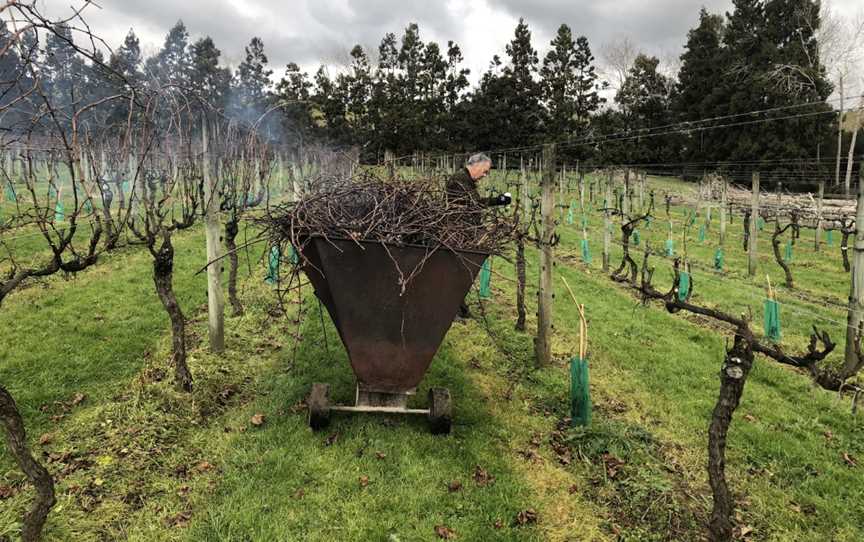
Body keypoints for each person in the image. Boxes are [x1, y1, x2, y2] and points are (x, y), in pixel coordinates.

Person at [447, 153, 511, 318]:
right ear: (476, 165)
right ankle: (454, 310)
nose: (484, 175)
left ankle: (459, 309)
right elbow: (472, 205)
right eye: (485, 171)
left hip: (463, 231)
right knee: (459, 271)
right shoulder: (459, 180)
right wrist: (498, 201)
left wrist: (498, 201)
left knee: (461, 271)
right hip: (458, 232)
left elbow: (472, 204)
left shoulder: (466, 180)